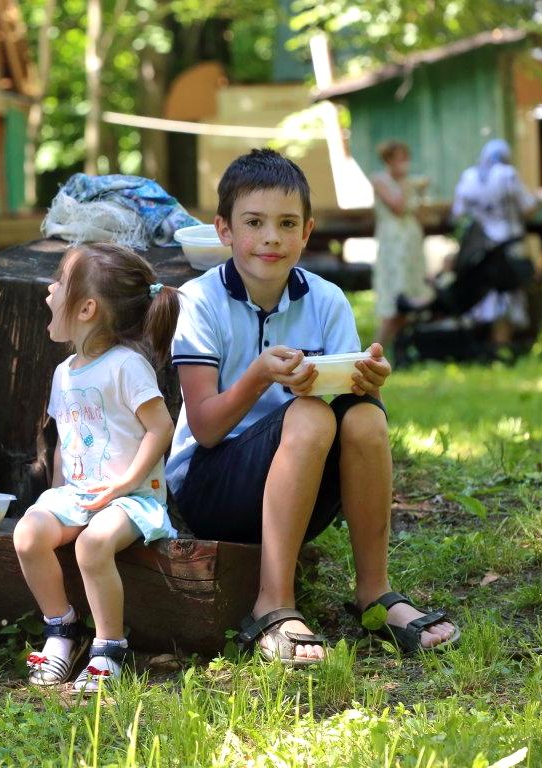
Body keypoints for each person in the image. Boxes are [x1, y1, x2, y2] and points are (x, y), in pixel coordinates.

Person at [165, 148, 459, 666]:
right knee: (309, 412)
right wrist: (259, 374)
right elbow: (206, 429)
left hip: (301, 483)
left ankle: (375, 594)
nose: (271, 237)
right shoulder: (200, 302)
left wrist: (369, 383)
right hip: (210, 490)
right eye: (254, 222)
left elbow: (350, 408)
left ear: (307, 232)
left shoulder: (326, 299)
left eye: (287, 224)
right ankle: (273, 605)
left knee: (364, 415)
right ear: (224, 230)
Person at [13, 242, 180, 692]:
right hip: (81, 495)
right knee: (28, 534)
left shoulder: (127, 366)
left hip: (132, 497)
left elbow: (160, 428)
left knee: (91, 547)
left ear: (86, 308)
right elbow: (66, 440)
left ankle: (109, 645)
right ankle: (61, 628)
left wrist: (126, 483)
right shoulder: (64, 371)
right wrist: (58, 495)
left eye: (60, 283)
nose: (50, 290)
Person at [450, 138, 538, 350]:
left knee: (481, 291)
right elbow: (527, 206)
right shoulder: (508, 175)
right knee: (507, 292)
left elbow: (458, 213)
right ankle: (501, 344)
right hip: (507, 245)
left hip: (478, 248)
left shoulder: (469, 176)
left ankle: (482, 343)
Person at [370, 140, 432, 353]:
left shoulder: (410, 183)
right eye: (399, 158)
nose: (403, 163)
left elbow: (418, 213)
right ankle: (371, 354)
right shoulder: (381, 180)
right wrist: (408, 183)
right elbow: (397, 206)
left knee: (409, 304)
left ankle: (399, 353)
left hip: (410, 245)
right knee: (395, 302)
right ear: (389, 160)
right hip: (393, 246)